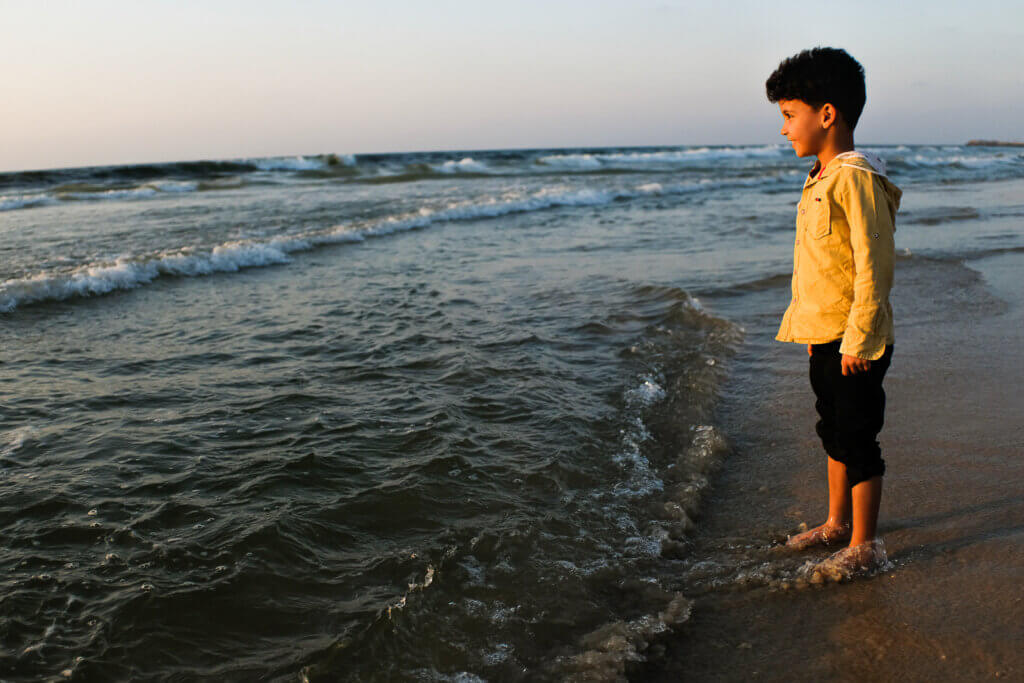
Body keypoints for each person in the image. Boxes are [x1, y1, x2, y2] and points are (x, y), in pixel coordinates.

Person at [765, 47, 902, 579]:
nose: (783, 130)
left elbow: (874, 265)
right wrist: (809, 328)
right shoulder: (819, 176)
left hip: (856, 341)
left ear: (826, 114)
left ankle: (865, 544)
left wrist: (860, 339)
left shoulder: (854, 177)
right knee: (833, 429)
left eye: (788, 115)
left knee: (859, 436)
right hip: (825, 333)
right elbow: (821, 267)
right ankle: (835, 522)